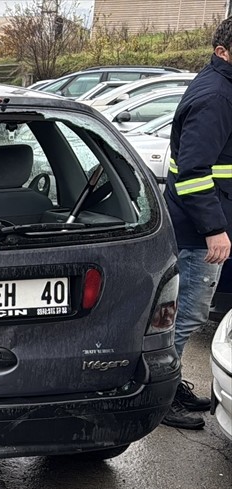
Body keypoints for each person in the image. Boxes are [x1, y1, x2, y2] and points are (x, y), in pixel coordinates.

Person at [161, 16, 232, 429]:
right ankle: (161, 396)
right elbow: (192, 172)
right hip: (196, 234)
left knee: (185, 314)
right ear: (222, 51)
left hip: (199, 226)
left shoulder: (221, 86)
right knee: (184, 316)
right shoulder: (217, 96)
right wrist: (214, 229)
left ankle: (169, 385)